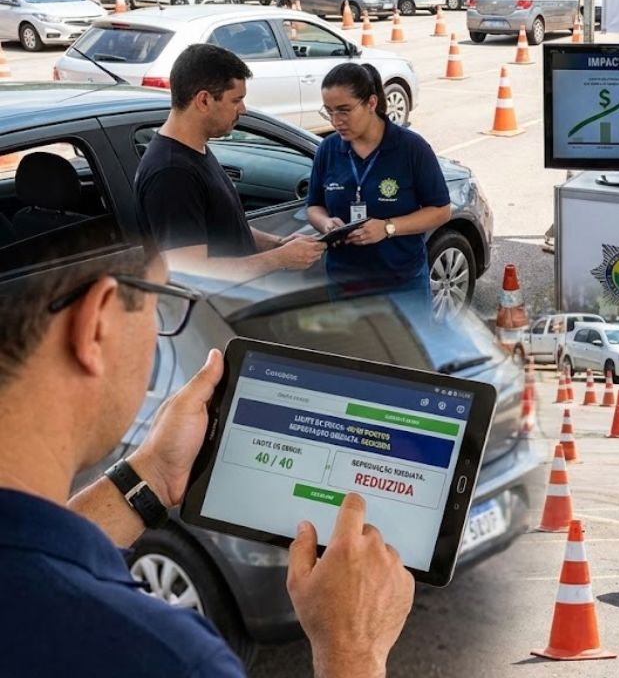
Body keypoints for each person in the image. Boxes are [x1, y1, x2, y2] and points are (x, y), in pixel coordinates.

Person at [0, 238, 413, 677]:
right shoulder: (161, 658)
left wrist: (153, 476)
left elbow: (30, 558)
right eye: (158, 305)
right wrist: (351, 654)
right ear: (96, 323)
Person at [135, 44, 325, 281]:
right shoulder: (172, 173)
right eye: (236, 100)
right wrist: (279, 259)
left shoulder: (195, 150)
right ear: (203, 100)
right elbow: (189, 272)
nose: (243, 110)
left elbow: (227, 226)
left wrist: (278, 244)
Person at [306, 63, 451, 305]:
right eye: (329, 112)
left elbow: (441, 210)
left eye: (344, 110)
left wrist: (387, 227)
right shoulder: (328, 150)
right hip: (344, 284)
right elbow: (314, 206)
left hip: (402, 284)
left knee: (407, 345)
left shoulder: (411, 148)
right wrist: (326, 223)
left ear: (371, 103)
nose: (336, 121)